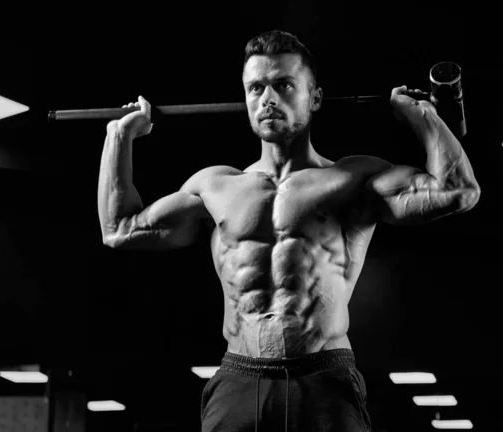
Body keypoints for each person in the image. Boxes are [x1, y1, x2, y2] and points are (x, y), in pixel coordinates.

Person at [97, 30, 480, 432]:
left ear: (314, 97)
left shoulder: (351, 179)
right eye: (256, 87)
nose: (268, 98)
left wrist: (424, 116)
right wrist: (118, 136)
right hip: (238, 380)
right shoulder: (216, 186)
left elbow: (458, 191)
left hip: (324, 380)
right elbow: (119, 228)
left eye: (283, 85)